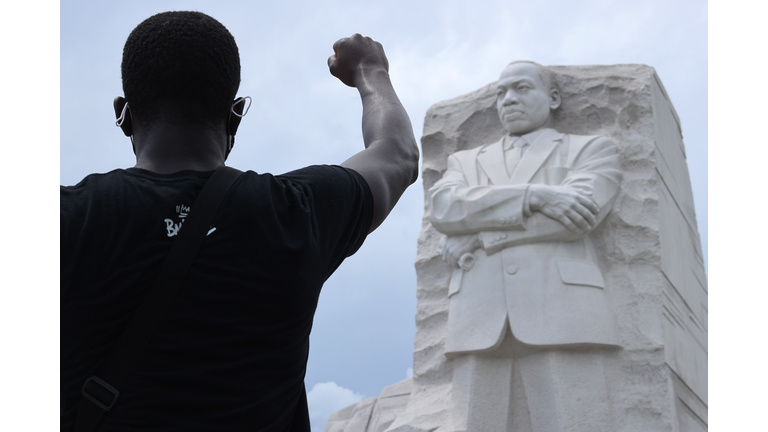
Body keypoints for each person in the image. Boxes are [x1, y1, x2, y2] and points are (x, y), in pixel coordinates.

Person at [60, 11, 418, 432]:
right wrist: (370, 70)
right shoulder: (296, 212)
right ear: (234, 116)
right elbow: (397, 154)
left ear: (124, 114)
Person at [428, 61, 622, 431]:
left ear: (553, 98)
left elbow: (578, 217)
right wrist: (535, 195)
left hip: (563, 310)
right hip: (478, 315)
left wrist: (480, 237)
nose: (508, 99)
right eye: (500, 93)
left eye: (522, 88)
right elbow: (444, 208)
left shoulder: (590, 149)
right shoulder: (465, 162)